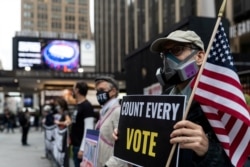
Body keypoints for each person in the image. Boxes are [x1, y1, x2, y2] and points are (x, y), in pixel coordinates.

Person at [113, 30, 233, 166]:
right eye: (164, 54)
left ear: (199, 57)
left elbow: (240, 158)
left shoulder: (219, 100)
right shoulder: (165, 98)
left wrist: (207, 151)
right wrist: (128, 141)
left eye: (177, 50)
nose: (168, 60)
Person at [94, 76, 129, 167]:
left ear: (113, 91)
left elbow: (123, 148)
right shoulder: (104, 112)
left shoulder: (118, 112)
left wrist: (109, 165)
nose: (98, 93)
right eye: (97, 91)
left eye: (101, 89)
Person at [70, 81, 95, 167]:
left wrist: (83, 148)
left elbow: (89, 129)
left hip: (80, 146)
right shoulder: (78, 105)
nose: (72, 91)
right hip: (75, 145)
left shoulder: (87, 106)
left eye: (73, 89)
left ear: (77, 90)